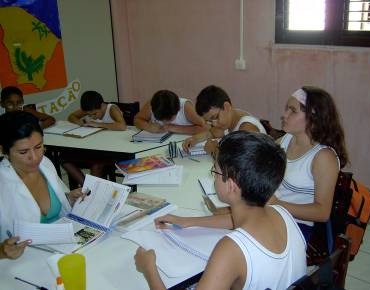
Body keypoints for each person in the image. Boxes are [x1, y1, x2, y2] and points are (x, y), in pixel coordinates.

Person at [134, 131, 307, 290]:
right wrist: (189, 221)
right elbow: (235, 221)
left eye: (214, 172)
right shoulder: (281, 213)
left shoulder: (231, 250)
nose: (213, 177)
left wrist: (149, 269)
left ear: (231, 185)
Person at [0, 111, 84, 259]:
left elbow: (59, 205)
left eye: (39, 147)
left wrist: (69, 199)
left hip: (62, 251)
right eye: (23, 152)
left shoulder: (44, 163)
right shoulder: (3, 183)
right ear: (4, 151)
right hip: (22, 263)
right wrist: (2, 252)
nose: (35, 157)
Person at [269, 86, 349, 241]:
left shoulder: (323, 158)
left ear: (313, 118)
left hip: (297, 226)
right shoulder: (286, 140)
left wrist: (277, 204)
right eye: (286, 109)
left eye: (292, 110)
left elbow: (322, 212)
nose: (284, 115)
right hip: (273, 214)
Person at [183, 85, 267, 155]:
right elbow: (212, 132)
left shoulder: (247, 128)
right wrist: (195, 139)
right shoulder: (230, 119)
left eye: (215, 117)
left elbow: (239, 164)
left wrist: (214, 150)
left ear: (226, 106)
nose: (214, 124)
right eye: (210, 121)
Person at [65, 90, 127, 185]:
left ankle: (93, 190)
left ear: (102, 105)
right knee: (65, 160)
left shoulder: (111, 109)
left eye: (94, 114)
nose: (92, 117)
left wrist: (98, 124)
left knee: (96, 166)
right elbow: (71, 116)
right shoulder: (90, 109)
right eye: (89, 115)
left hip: (112, 149)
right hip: (94, 147)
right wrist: (81, 123)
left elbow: (122, 126)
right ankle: (88, 187)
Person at [134, 89, 206, 134]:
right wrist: (148, 127)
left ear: (178, 109)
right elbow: (137, 119)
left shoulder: (186, 107)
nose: (165, 122)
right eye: (161, 120)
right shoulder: (151, 104)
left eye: (169, 119)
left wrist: (173, 128)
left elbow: (206, 128)